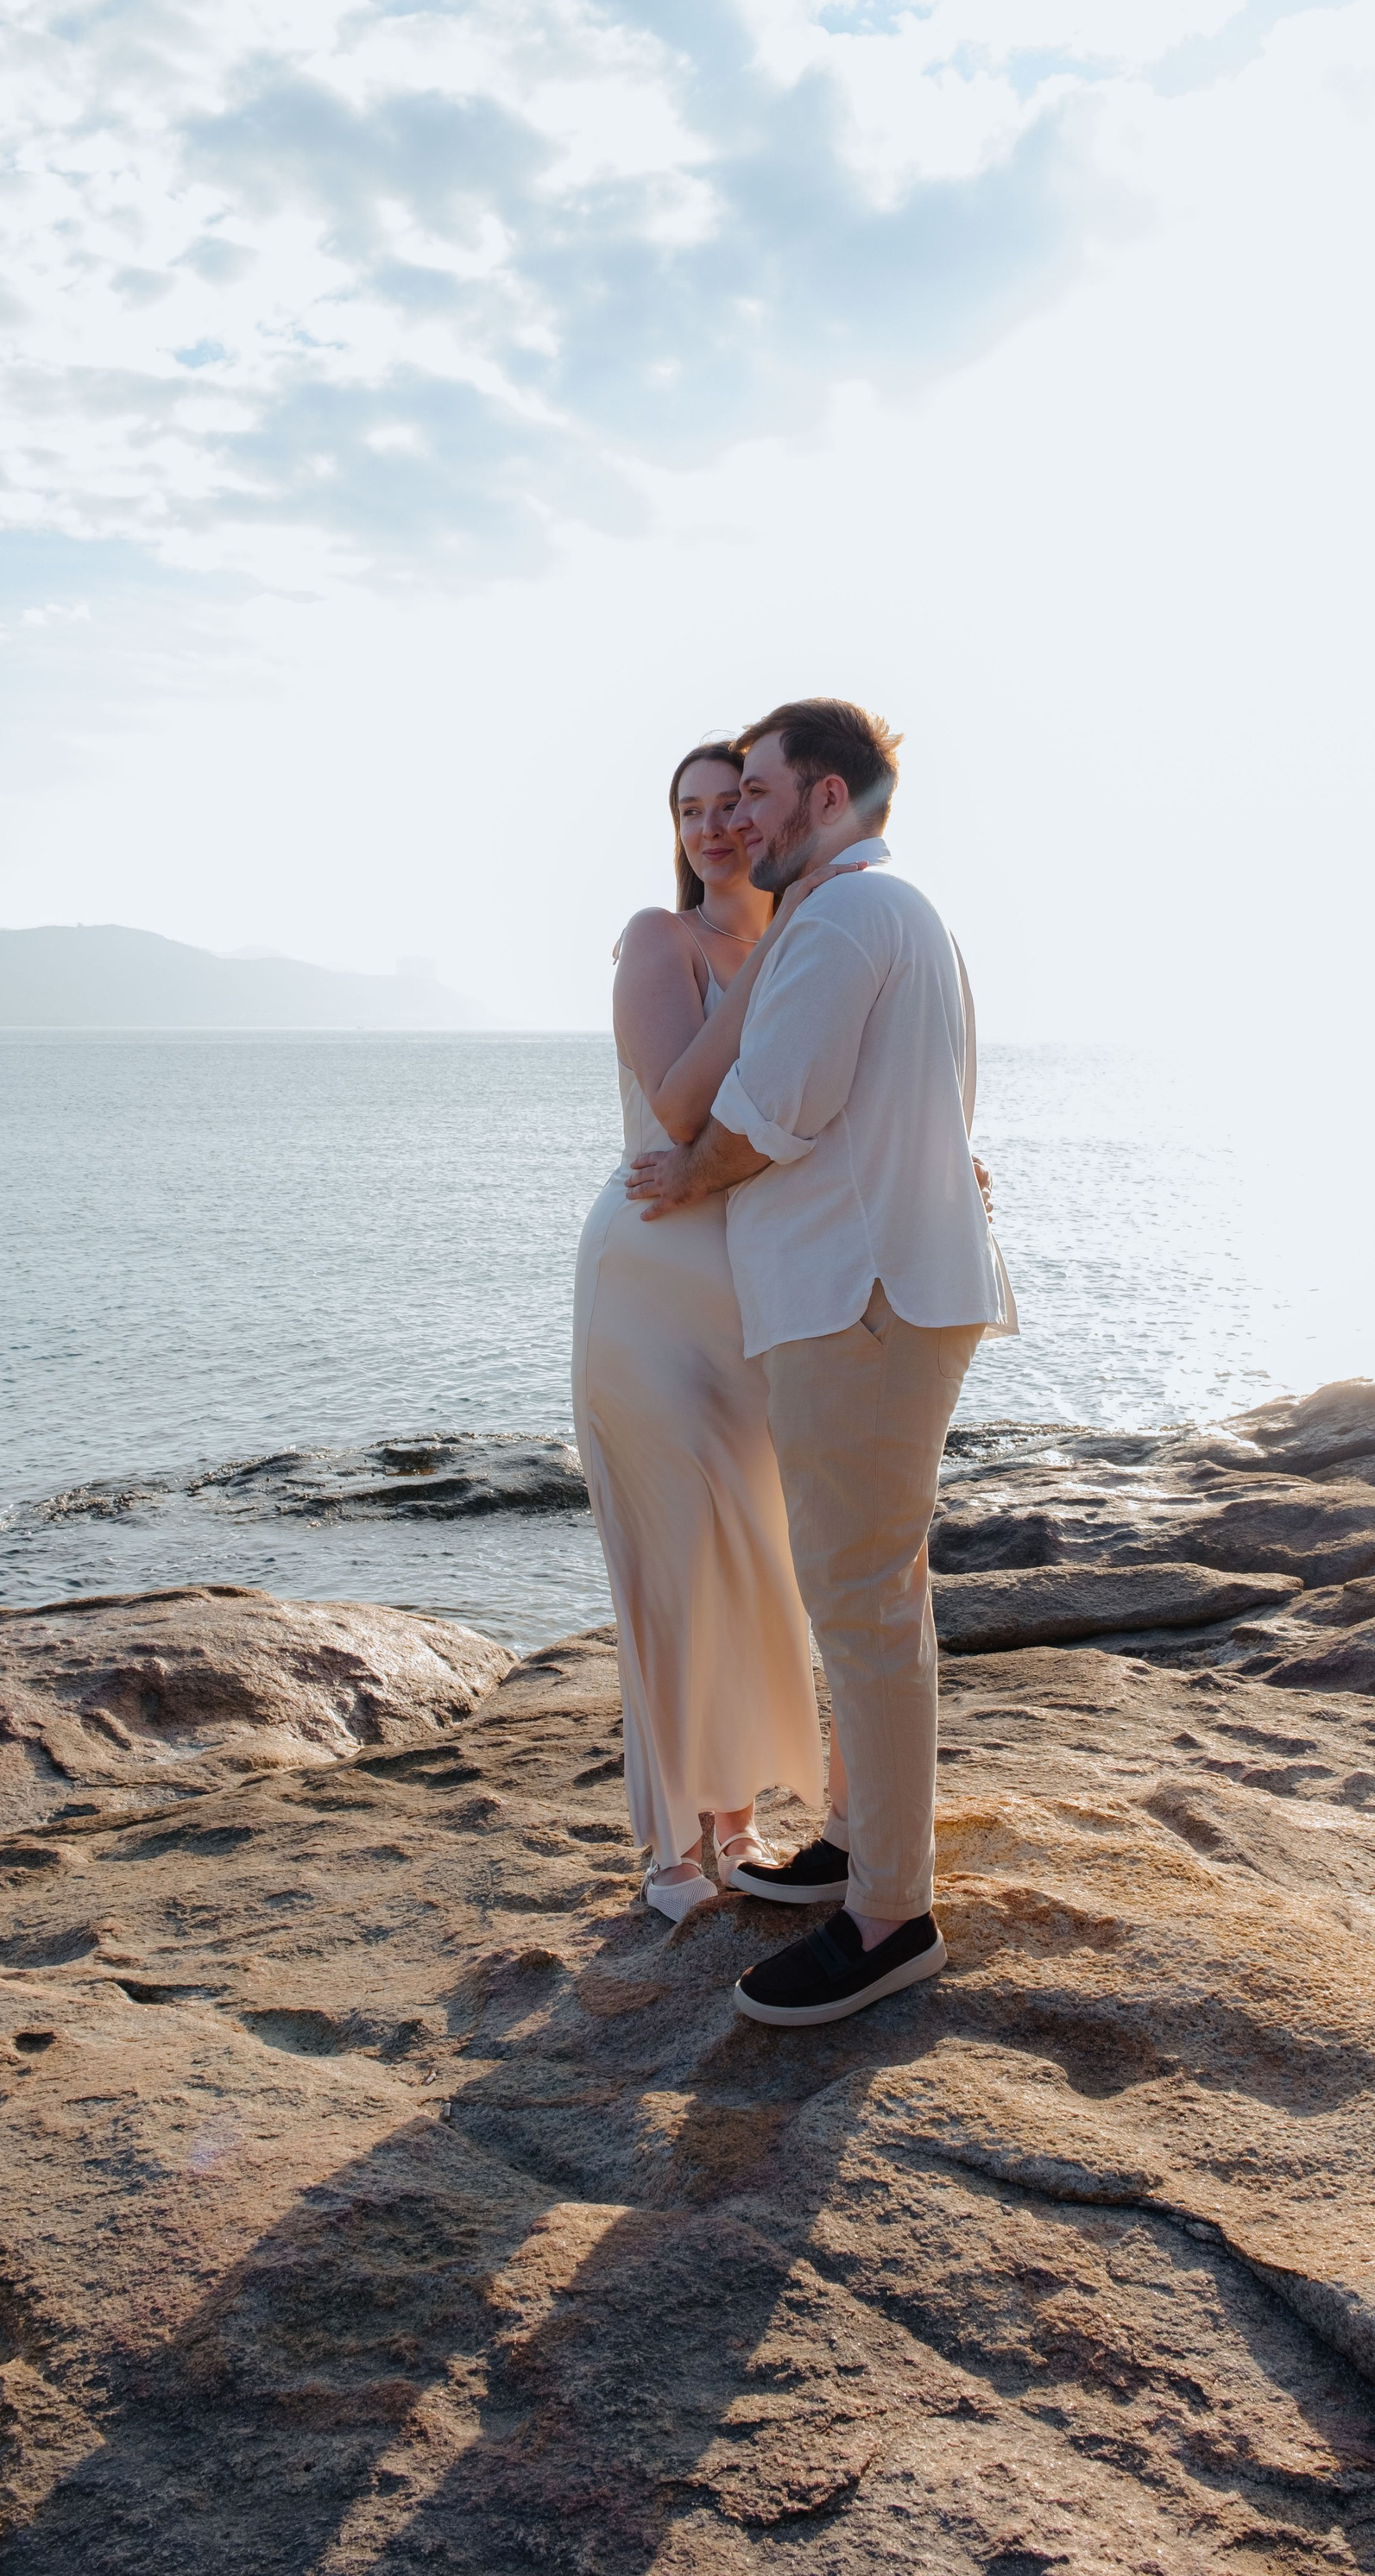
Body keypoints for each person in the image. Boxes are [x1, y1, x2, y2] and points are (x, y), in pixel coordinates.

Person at [627, 698, 1014, 2027]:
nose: (745, 813)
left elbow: (769, 1112)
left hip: (859, 1295)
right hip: (878, 1285)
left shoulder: (845, 916)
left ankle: (890, 1918)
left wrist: (688, 1168)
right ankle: (861, 1843)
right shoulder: (884, 910)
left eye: (767, 788)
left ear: (828, 797)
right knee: (871, 1588)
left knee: (857, 1596)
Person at [571, 740, 842, 1923]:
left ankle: (735, 1827)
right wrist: (779, 947)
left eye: (733, 804)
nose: (713, 828)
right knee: (673, 1553)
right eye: (691, 810)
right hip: (647, 1277)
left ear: (769, 813)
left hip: (755, 1287)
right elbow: (678, 1101)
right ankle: (669, 1850)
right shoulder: (660, 939)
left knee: (750, 1549)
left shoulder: (810, 944)